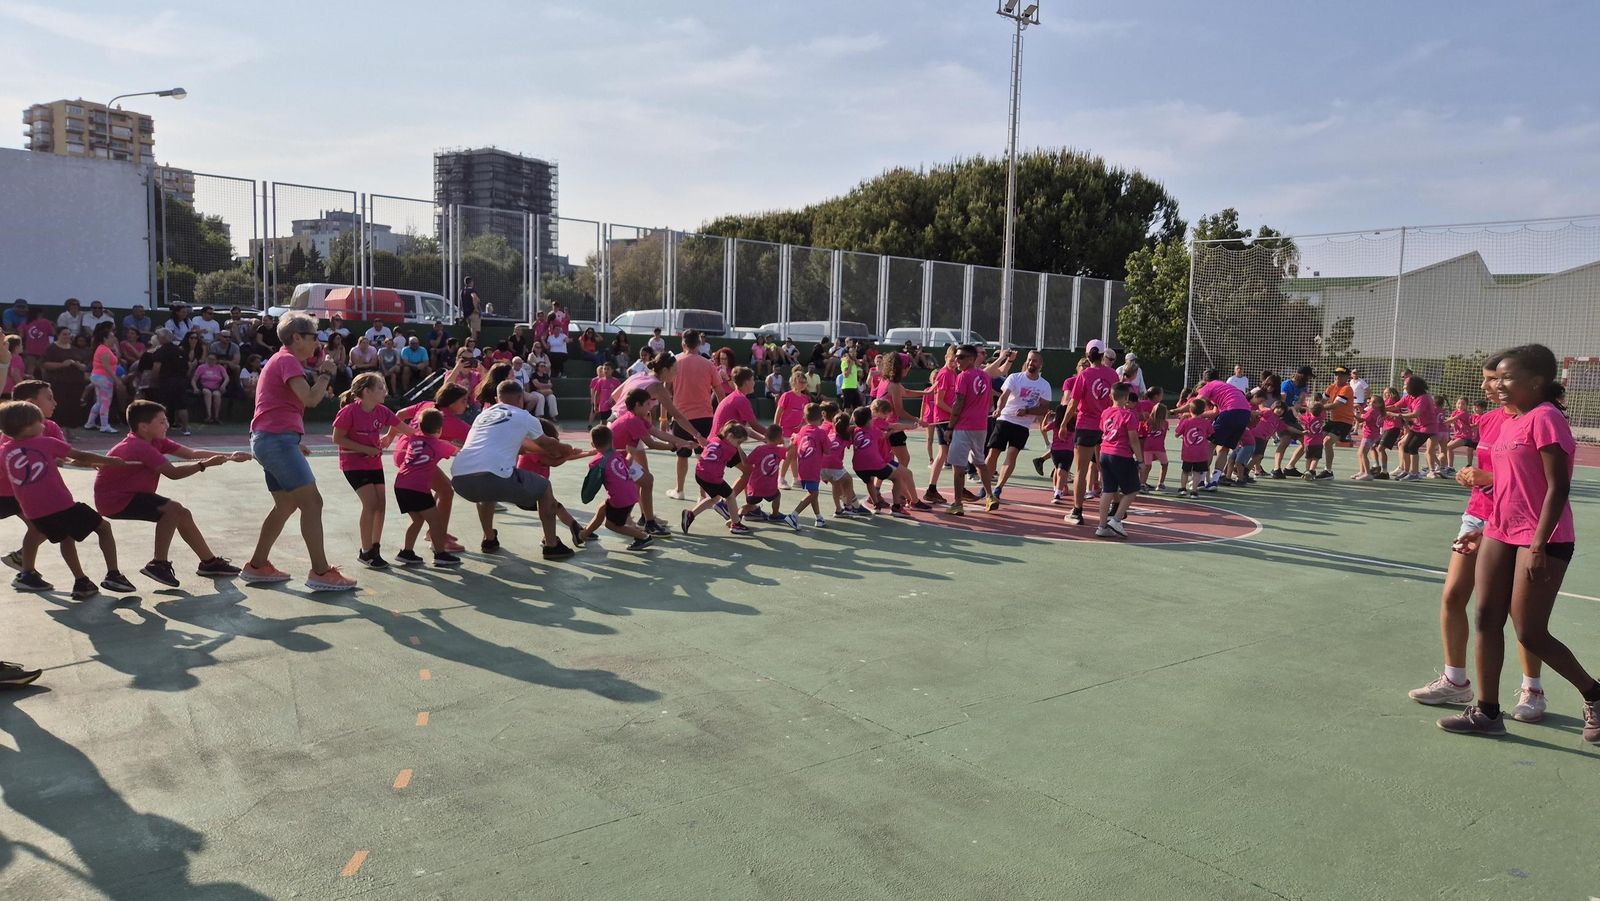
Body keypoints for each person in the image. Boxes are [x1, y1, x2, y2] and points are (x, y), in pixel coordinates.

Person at [1437, 344, 1600, 743]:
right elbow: (1508, 485)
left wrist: (1540, 544)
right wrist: (1485, 527)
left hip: (1542, 537)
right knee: (1486, 618)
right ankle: (1488, 712)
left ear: (1537, 381)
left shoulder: (1545, 418)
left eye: (1508, 377)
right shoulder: (1511, 421)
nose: (1499, 384)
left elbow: (1557, 487)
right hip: (1499, 531)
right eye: (1497, 378)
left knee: (1529, 630)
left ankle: (1595, 694)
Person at [1408, 356, 1544, 719]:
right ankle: (1456, 682)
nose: (1489, 386)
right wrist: (1470, 476)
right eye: (1486, 380)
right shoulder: (1488, 420)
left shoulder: (1537, 419)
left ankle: (1532, 688)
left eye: (1496, 379)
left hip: (1516, 521)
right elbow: (1488, 468)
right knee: (1453, 595)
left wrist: (1489, 479)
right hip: (1478, 514)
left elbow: (1531, 480)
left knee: (1518, 613)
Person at [242, 312, 354, 591]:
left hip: (273, 440)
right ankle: (320, 572)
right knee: (312, 503)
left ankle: (257, 566)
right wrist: (326, 373)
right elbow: (311, 399)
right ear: (296, 338)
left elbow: (279, 406)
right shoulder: (287, 360)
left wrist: (291, 439)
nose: (317, 343)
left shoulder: (281, 361)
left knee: (286, 504)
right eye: (314, 337)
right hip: (276, 441)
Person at [92, 399, 248, 586]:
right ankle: (159, 564)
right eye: (161, 422)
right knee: (173, 509)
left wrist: (230, 457)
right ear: (143, 427)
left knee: (182, 514)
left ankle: (209, 563)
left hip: (131, 494)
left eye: (166, 420)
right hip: (115, 500)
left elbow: (190, 453)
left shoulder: (156, 440)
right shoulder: (139, 446)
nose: (167, 424)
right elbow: (173, 473)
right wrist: (204, 465)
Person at [0, 399, 138, 600]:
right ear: (29, 425)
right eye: (40, 422)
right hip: (62, 506)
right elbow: (80, 455)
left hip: (36, 514)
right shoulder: (46, 442)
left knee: (66, 538)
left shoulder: (4, 452)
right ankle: (114, 575)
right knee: (104, 528)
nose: (44, 425)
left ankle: (81, 581)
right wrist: (110, 462)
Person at [448, 380, 573, 558]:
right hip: (494, 478)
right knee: (544, 487)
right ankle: (552, 545)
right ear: (520, 398)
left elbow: (521, 446)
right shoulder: (523, 416)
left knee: (486, 492)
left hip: (460, 480)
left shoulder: (483, 416)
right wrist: (567, 451)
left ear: (497, 399)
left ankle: (489, 539)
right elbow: (549, 445)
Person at [333, 372, 412, 570]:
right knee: (370, 504)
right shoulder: (349, 411)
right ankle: (366, 551)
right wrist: (366, 449)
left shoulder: (382, 411)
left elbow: (406, 429)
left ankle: (375, 548)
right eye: (380, 387)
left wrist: (433, 434)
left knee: (381, 505)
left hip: (374, 463)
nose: (385, 391)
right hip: (353, 464)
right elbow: (338, 438)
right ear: (367, 392)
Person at [390, 408, 463, 568]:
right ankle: (440, 554)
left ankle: (406, 552)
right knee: (435, 522)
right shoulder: (440, 445)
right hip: (417, 488)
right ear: (439, 429)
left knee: (417, 520)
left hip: (401, 485)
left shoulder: (414, 437)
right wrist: (457, 446)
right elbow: (458, 451)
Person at [1059, 344, 1118, 524]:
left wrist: (1063, 424)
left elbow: (1073, 403)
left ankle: (1077, 511)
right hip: (1106, 425)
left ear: (1087, 354)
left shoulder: (1084, 375)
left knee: (1080, 470)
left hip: (1086, 425)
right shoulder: (1112, 375)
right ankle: (1116, 504)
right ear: (1103, 355)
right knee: (1106, 468)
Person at [984, 350, 1051, 498]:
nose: (1030, 363)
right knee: (992, 453)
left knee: (1012, 455)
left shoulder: (1044, 385)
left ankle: (998, 488)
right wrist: (999, 409)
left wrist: (1027, 411)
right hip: (1005, 420)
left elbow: (1044, 408)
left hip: (1022, 426)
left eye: (1034, 361)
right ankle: (986, 485)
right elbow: (1003, 396)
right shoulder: (1015, 378)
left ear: (1040, 364)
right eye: (1029, 360)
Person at [666, 330, 722, 500]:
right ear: (699, 344)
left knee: (682, 455)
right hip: (705, 417)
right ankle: (702, 494)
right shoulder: (709, 364)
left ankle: (680, 490)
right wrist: (722, 417)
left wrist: (662, 417)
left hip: (681, 418)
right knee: (703, 455)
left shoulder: (674, 362)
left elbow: (665, 391)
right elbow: (720, 394)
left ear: (683, 344)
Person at [943, 345, 998, 516]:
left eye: (961, 357)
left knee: (958, 467)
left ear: (972, 359)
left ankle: (958, 503)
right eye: (957, 357)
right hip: (980, 426)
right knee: (980, 462)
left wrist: (950, 426)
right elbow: (989, 401)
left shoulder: (963, 376)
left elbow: (958, 403)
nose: (957, 360)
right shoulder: (985, 376)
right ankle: (990, 496)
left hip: (964, 426)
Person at [580, 426, 654, 551]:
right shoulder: (617, 454)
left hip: (621, 500)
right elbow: (626, 463)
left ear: (593, 444)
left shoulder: (596, 462)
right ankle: (584, 534)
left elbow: (591, 486)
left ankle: (643, 536)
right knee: (602, 508)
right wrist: (630, 452)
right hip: (631, 494)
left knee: (612, 525)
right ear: (612, 441)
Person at [680, 422, 750, 535]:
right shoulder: (731, 449)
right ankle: (736, 524)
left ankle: (690, 514)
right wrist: (739, 449)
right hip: (712, 477)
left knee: (715, 498)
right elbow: (743, 461)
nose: (738, 445)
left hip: (700, 473)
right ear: (730, 436)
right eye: (739, 442)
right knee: (730, 496)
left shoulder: (714, 439)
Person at [1094, 383, 1144, 539]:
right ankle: (1116, 519)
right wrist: (1140, 460)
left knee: (1108, 490)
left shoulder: (1106, 412)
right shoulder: (1129, 415)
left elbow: (1104, 430)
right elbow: (1134, 440)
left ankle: (1102, 526)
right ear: (1126, 398)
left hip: (1105, 452)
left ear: (1111, 396)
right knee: (1133, 489)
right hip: (1120, 454)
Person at [41, 326, 88, 438]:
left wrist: (79, 365)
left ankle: (71, 432)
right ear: (58, 335)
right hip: (58, 383)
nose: (67, 336)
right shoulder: (51, 348)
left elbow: (84, 366)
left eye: (68, 334)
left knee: (73, 407)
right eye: (64, 334)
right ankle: (59, 432)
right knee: (60, 407)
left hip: (75, 384)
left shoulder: (75, 349)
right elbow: (45, 364)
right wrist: (62, 364)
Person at [1318, 367, 1356, 479]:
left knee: (1327, 442)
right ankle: (1311, 467)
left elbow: (1336, 405)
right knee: (1315, 438)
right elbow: (1322, 401)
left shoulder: (1347, 389)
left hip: (1345, 421)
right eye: (1336, 374)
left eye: (1341, 375)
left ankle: (1328, 471)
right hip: (1333, 420)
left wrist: (1318, 408)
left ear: (1347, 377)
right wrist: (1315, 406)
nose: (1337, 376)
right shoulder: (1331, 387)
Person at [1173, 399, 1214, 498]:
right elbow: (1211, 433)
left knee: (1185, 471)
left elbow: (1176, 434)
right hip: (1201, 453)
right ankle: (1194, 491)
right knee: (1197, 472)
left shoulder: (1186, 422)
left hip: (1188, 452)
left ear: (1190, 410)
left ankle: (1183, 488)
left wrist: (1182, 421)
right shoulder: (1206, 423)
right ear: (1203, 410)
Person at [84, 326, 120, 434]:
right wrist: (116, 379)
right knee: (105, 402)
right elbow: (106, 366)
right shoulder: (104, 350)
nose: (114, 338)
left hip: (98, 377)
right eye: (112, 337)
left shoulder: (103, 348)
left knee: (100, 401)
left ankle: (90, 423)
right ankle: (104, 425)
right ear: (105, 338)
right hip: (104, 378)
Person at [191, 353, 229, 425]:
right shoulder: (201, 367)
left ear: (216, 360)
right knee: (207, 393)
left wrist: (223, 385)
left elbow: (226, 378)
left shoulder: (220, 367)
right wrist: (195, 388)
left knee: (217, 394)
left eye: (213, 359)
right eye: (209, 359)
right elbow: (194, 379)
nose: (211, 361)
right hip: (204, 387)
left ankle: (216, 416)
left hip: (216, 387)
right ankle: (209, 416)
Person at [589, 362, 621, 427]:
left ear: (612, 370)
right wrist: (595, 405)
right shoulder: (600, 381)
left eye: (608, 369)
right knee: (603, 423)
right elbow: (596, 394)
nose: (606, 370)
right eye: (604, 369)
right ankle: (602, 435)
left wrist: (615, 401)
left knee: (612, 423)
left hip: (613, 407)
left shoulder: (616, 381)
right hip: (603, 406)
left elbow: (620, 393)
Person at [460, 278, 482, 343]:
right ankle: (472, 345)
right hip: (473, 313)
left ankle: (469, 343)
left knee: (471, 329)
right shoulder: (472, 290)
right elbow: (474, 297)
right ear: (471, 282)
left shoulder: (462, 291)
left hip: (466, 314)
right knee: (474, 331)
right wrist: (475, 308)